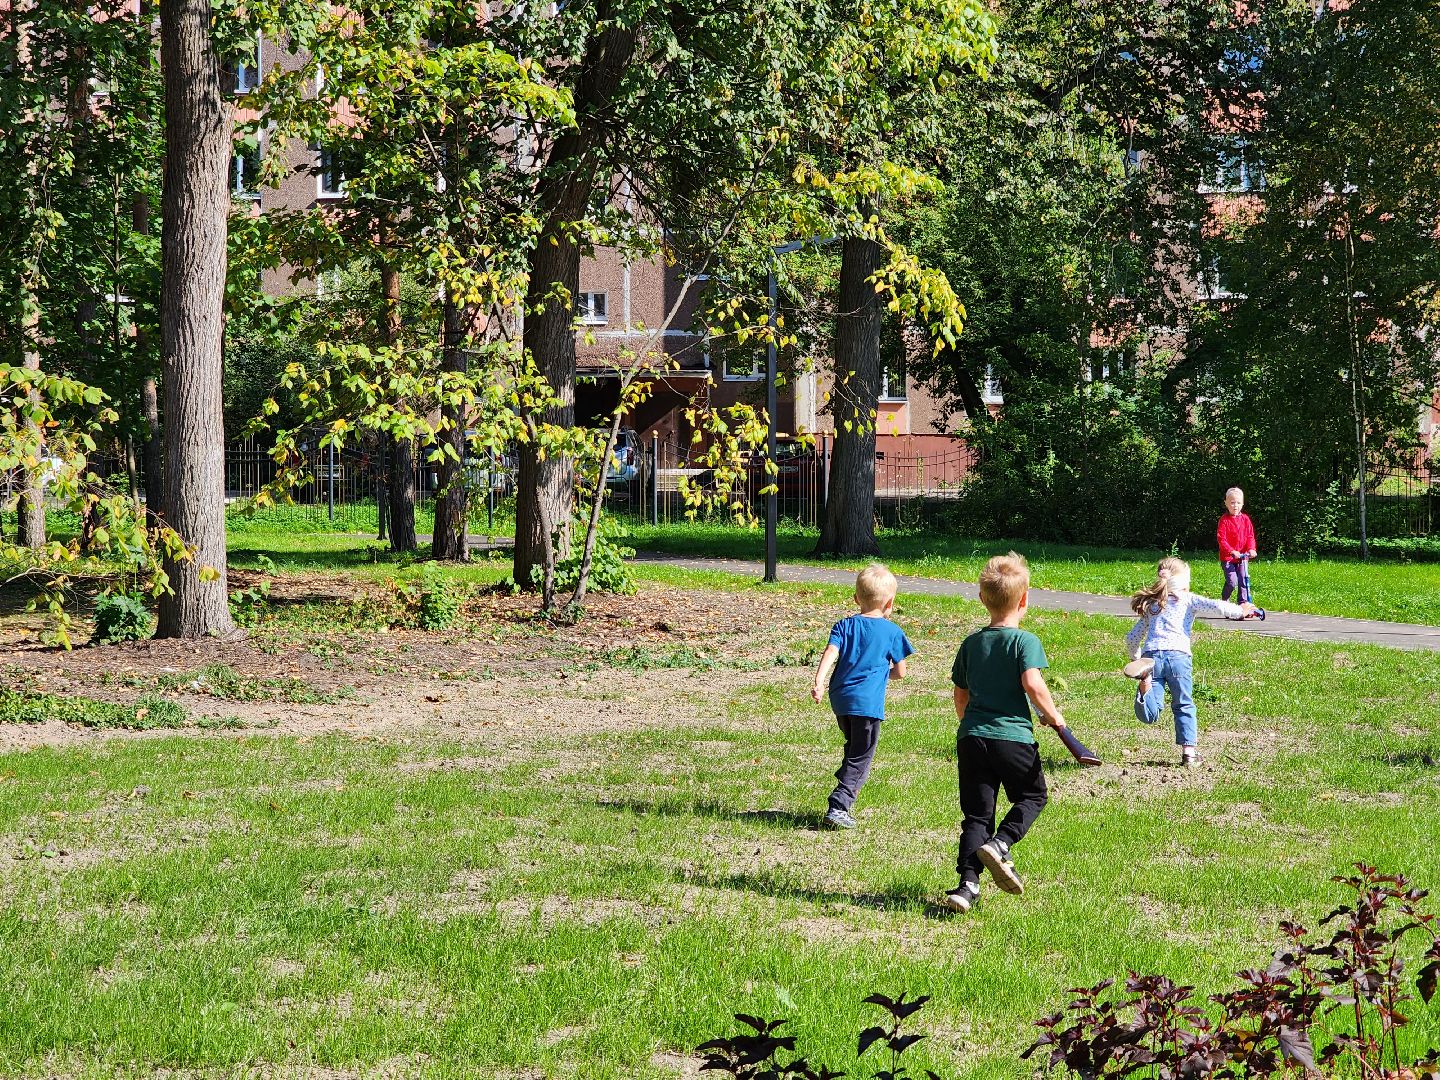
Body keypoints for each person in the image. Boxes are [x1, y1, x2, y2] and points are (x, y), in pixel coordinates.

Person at [943, 553, 1067, 914]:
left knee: (977, 816)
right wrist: (1053, 716)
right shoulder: (1024, 642)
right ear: (1025, 599)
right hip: (1012, 738)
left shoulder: (971, 644)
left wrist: (970, 724)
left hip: (971, 739)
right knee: (1033, 795)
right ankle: (1001, 844)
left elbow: (961, 694)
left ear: (983, 599)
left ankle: (966, 886)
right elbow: (1033, 683)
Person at [810, 563, 915, 830]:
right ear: (890, 602)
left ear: (857, 598)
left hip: (841, 700)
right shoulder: (892, 632)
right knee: (862, 755)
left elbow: (831, 653)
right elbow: (901, 673)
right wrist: (881, 675)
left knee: (854, 746)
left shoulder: (844, 625)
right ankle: (839, 804)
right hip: (867, 705)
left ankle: (845, 779)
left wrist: (819, 681)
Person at [1123, 556, 1254, 768]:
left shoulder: (1153, 606)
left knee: (1152, 713)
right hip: (1178, 657)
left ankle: (1144, 680)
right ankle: (1189, 754)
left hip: (1151, 659)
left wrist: (1136, 658)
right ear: (1185, 581)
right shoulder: (1188, 599)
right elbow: (1217, 606)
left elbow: (1131, 638)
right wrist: (1242, 611)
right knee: (1183, 703)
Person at [1217, 486, 1257, 603]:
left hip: (1242, 557)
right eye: (1232, 502)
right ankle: (1225, 600)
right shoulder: (1224, 520)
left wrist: (1251, 549)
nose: (1235, 505)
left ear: (1243, 503)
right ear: (1226, 503)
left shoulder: (1245, 519)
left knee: (1244, 580)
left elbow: (1250, 536)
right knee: (1232, 581)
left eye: (1238, 503)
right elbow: (1221, 539)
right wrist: (1231, 551)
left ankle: (1242, 603)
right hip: (1228, 557)